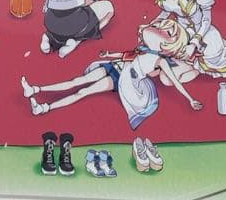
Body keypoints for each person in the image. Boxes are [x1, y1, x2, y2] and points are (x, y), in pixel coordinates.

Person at [21, 19, 202, 130]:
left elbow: (175, 82)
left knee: (83, 92)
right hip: (112, 66)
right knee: (77, 80)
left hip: (119, 79)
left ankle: (44, 108)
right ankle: (35, 89)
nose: (158, 31)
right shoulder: (143, 48)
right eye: (159, 27)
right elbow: (126, 55)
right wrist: (109, 55)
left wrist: (190, 99)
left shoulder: (160, 61)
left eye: (167, 33)